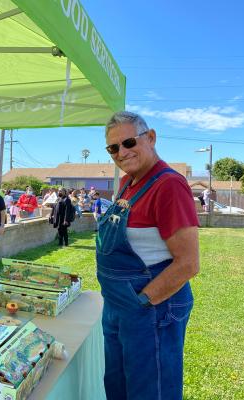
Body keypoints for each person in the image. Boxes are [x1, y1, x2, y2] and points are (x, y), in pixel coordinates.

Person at [97, 111, 199, 400]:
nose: (122, 152)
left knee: (149, 391)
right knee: (119, 387)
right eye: (113, 148)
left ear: (150, 138)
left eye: (129, 142)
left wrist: (141, 302)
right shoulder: (127, 183)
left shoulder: (169, 185)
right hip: (119, 308)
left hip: (151, 310)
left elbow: (188, 263)